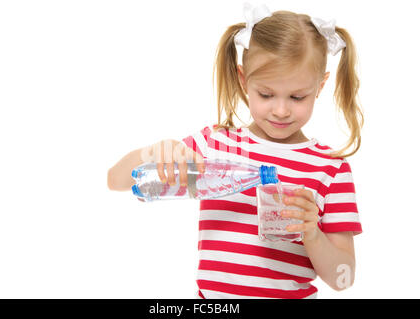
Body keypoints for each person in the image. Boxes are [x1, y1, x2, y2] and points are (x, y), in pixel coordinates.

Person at [108, 2, 363, 299]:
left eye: (297, 96)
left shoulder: (329, 168)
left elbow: (343, 279)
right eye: (266, 94)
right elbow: (116, 180)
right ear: (244, 80)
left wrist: (312, 233)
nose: (281, 110)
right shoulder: (215, 146)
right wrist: (153, 153)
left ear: (320, 86)